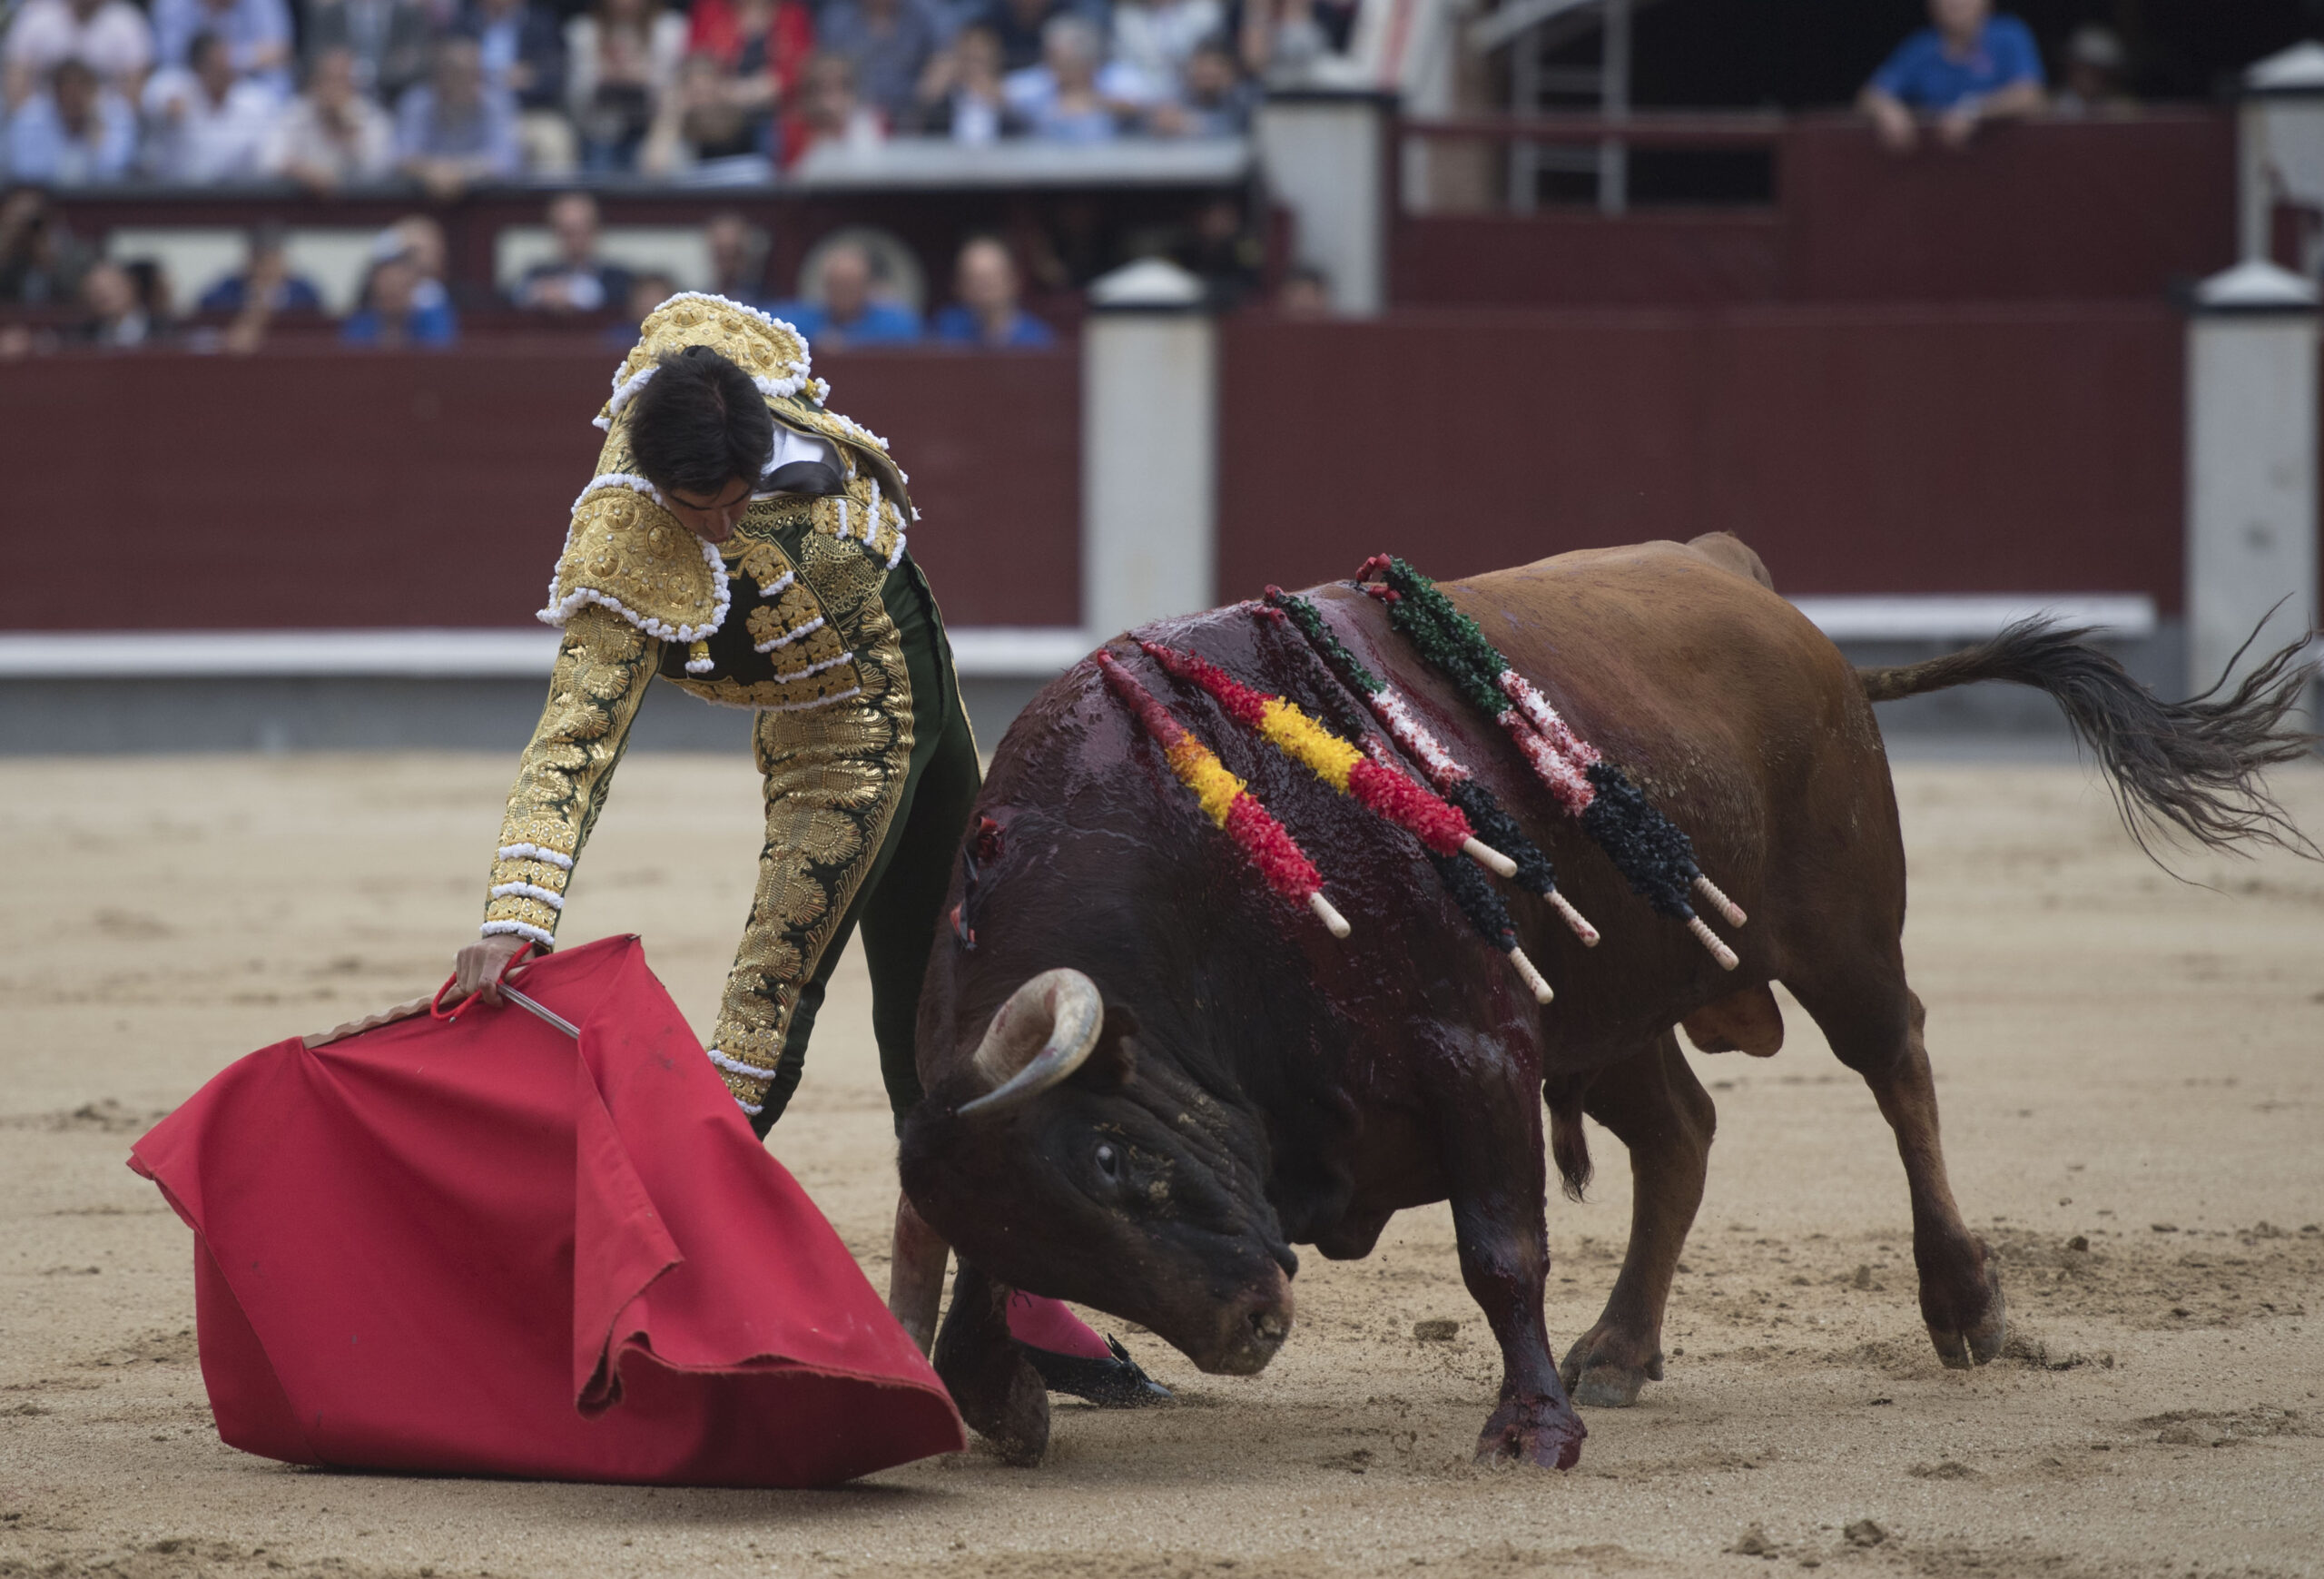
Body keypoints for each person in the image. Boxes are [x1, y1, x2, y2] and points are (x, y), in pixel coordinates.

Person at [448, 291, 1166, 1407]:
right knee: (766, 1007)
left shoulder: (735, 378)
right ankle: (629, 1287)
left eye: (736, 500)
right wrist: (515, 913)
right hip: (831, 737)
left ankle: (1012, 1291)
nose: (719, 526)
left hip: (925, 679)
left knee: (959, 989)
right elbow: (570, 746)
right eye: (698, 508)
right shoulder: (625, 551)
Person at [1859, 0, 2044, 153]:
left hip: (2004, 161)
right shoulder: (1921, 47)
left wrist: (1972, 110)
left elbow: (2030, 95)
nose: (1954, 3)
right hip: (1936, 167)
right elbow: (1870, 95)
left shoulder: (2009, 34)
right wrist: (1887, 109)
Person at [564, 0, 686, 173]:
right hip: (598, 128)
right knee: (600, 165)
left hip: (653, 126)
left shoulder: (670, 28)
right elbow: (575, 98)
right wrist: (603, 76)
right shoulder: (584, 30)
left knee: (665, 159)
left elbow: (676, 89)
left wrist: (645, 77)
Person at [142, 29, 278, 183]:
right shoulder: (172, 84)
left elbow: (269, 156)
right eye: (215, 65)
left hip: (236, 192)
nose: (224, 69)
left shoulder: (254, 99)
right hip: (175, 190)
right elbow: (157, 103)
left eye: (226, 62)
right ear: (198, 67)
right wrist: (172, 109)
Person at [396, 35, 521, 198]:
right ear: (439, 77)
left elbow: (506, 160)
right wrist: (432, 171)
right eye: (455, 74)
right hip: (421, 199)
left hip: (483, 199)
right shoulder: (416, 102)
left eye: (472, 74)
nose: (464, 82)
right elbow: (401, 156)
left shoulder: (497, 102)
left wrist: (457, 172)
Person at [462, 0, 576, 173]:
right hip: (471, 114)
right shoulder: (464, 22)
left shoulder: (540, 24)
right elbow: (449, 68)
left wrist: (529, 80)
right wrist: (481, 81)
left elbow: (553, 77)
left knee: (552, 138)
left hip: (525, 113)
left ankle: (551, 193)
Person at [261, 44, 395, 191]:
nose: (333, 88)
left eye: (341, 80)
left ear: (354, 84)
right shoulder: (296, 113)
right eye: (328, 79)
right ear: (314, 82)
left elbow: (380, 172)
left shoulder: (372, 118)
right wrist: (302, 171)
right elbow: (269, 161)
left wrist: (349, 135)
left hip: (355, 201)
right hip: (303, 200)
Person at [1003, 15, 1141, 143]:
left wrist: (1096, 102)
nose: (1059, 71)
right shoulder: (1041, 79)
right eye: (1055, 62)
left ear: (1090, 62)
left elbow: (1142, 103)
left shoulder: (1116, 76)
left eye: (1069, 64)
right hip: (1042, 158)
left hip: (1110, 158)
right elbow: (1001, 92)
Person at [4, 58, 137, 184]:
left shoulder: (117, 119)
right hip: (44, 197)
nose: (73, 99)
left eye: (80, 91)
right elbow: (27, 173)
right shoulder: (29, 122)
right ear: (55, 93)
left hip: (100, 199)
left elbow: (114, 174)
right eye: (67, 91)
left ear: (93, 92)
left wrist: (95, 135)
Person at [2, 0, 153, 110]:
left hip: (104, 117)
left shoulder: (126, 21)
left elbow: (135, 91)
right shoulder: (37, 16)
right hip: (47, 117)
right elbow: (15, 81)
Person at [772, 236, 919, 346]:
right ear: (826, 286)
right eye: (837, 285)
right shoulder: (802, 319)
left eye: (851, 286)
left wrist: (847, 342)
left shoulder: (894, 323)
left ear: (867, 287)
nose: (843, 293)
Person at [815, 0, 939, 125]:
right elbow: (826, 70)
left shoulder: (921, 15)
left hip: (910, 113)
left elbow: (940, 59)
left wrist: (926, 93)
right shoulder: (837, 19)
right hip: (852, 113)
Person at [514, 190, 632, 313]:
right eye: (566, 231)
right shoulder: (537, 275)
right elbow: (512, 297)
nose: (574, 239)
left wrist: (573, 294)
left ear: (596, 230)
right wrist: (538, 293)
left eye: (580, 229)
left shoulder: (618, 279)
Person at [930, 235, 1052, 348]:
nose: (983, 287)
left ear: (1014, 280)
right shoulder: (945, 328)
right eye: (974, 279)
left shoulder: (1038, 340)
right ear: (958, 286)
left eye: (992, 278)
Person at [300, 0, 431, 105]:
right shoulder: (330, 13)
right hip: (340, 91)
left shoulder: (407, 13)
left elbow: (417, 62)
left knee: (417, 100)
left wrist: (374, 76)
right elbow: (314, 57)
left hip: (393, 93)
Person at [149, 0, 291, 95]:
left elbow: (280, 51)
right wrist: (211, 65)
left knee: (268, 90)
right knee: (165, 87)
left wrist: (229, 60)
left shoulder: (261, 3)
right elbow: (170, 59)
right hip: (193, 85)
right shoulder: (172, 5)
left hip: (248, 87)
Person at [911, 22, 1018, 143]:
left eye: (979, 60)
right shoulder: (946, 92)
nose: (974, 68)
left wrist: (998, 100)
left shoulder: (1008, 90)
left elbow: (1020, 131)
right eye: (969, 58)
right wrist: (936, 88)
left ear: (994, 59)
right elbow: (918, 118)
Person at [775, 50, 881, 168]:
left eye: (843, 87)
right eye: (825, 90)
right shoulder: (789, 134)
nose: (835, 100)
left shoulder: (871, 126)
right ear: (807, 97)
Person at [342, 244, 458, 345]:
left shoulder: (433, 321)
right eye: (386, 293)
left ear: (413, 289)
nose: (392, 293)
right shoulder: (361, 324)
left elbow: (440, 350)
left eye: (400, 288)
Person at [1108, 0, 1221, 102]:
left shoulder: (1205, 9)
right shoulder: (1126, 17)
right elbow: (1123, 66)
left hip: (1196, 91)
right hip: (1145, 94)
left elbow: (1213, 58)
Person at [0, 184, 94, 304]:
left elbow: (79, 294)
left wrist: (47, 257)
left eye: (33, 220)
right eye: (18, 218)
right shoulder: (8, 252)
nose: (26, 229)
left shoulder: (76, 252)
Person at [197, 222, 322, 311]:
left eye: (273, 259)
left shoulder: (303, 291)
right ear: (249, 260)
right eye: (261, 260)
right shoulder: (228, 290)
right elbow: (207, 307)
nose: (267, 268)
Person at [1147, 35, 1251, 137]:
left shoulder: (1242, 97)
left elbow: (1236, 125)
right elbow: (1158, 119)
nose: (1206, 70)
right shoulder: (1182, 93)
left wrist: (1188, 123)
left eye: (1215, 65)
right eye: (1201, 65)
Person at [2053, 24, 2132, 117]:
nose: (2095, 77)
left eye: (2101, 71)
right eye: (2087, 68)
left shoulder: (2121, 108)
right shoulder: (2051, 107)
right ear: (2071, 66)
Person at [74, 255, 153, 344]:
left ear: (130, 286)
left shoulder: (160, 328)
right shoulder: (84, 337)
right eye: (96, 291)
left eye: (112, 287)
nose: (104, 295)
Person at [704, 209, 769, 303]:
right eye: (721, 253)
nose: (727, 262)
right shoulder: (700, 299)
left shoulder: (770, 298)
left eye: (734, 254)